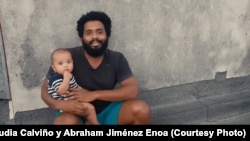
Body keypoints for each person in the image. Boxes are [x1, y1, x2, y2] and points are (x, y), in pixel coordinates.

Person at [41, 10, 151, 125]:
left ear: (107, 35)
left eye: (100, 32)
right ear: (81, 38)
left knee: (141, 110)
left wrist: (93, 95)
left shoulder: (116, 58)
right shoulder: (65, 57)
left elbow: (132, 91)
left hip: (108, 110)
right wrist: (61, 104)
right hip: (75, 111)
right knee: (64, 123)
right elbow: (44, 92)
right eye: (88, 33)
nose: (95, 37)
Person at [48, 48, 99, 125]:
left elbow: (75, 86)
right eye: (60, 64)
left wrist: (83, 91)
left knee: (89, 105)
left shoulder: (69, 75)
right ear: (54, 68)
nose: (66, 65)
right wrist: (66, 80)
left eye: (68, 62)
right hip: (65, 104)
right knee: (90, 108)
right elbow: (61, 91)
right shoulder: (55, 78)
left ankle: (89, 121)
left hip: (73, 100)